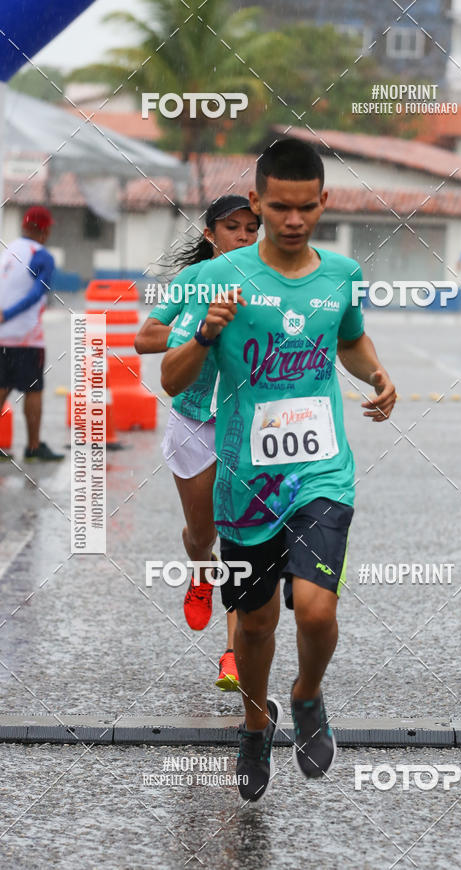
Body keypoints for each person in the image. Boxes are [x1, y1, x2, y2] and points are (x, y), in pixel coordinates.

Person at [161, 138, 396, 802]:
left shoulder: (342, 274)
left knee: (317, 611)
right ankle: (255, 723)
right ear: (258, 203)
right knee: (258, 622)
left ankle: (308, 696)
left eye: (306, 208)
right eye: (279, 208)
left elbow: (348, 338)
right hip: (243, 478)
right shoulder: (217, 278)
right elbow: (169, 375)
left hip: (321, 469)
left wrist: (376, 372)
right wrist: (205, 334)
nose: (293, 221)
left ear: (324, 201)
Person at [135, 195, 260, 691]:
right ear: (211, 234)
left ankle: (232, 654)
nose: (245, 238)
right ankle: (198, 570)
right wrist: (193, 332)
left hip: (246, 424)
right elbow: (145, 337)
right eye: (234, 228)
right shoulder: (191, 282)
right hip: (192, 419)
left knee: (240, 540)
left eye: (253, 229)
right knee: (202, 537)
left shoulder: (268, 284)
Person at [0, 206, 64, 462]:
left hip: (1, 337)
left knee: (1, 387)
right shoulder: (42, 256)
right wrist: (7, 314)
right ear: (44, 230)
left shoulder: (7, 251)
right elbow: (38, 293)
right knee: (33, 390)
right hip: (26, 337)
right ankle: (34, 448)